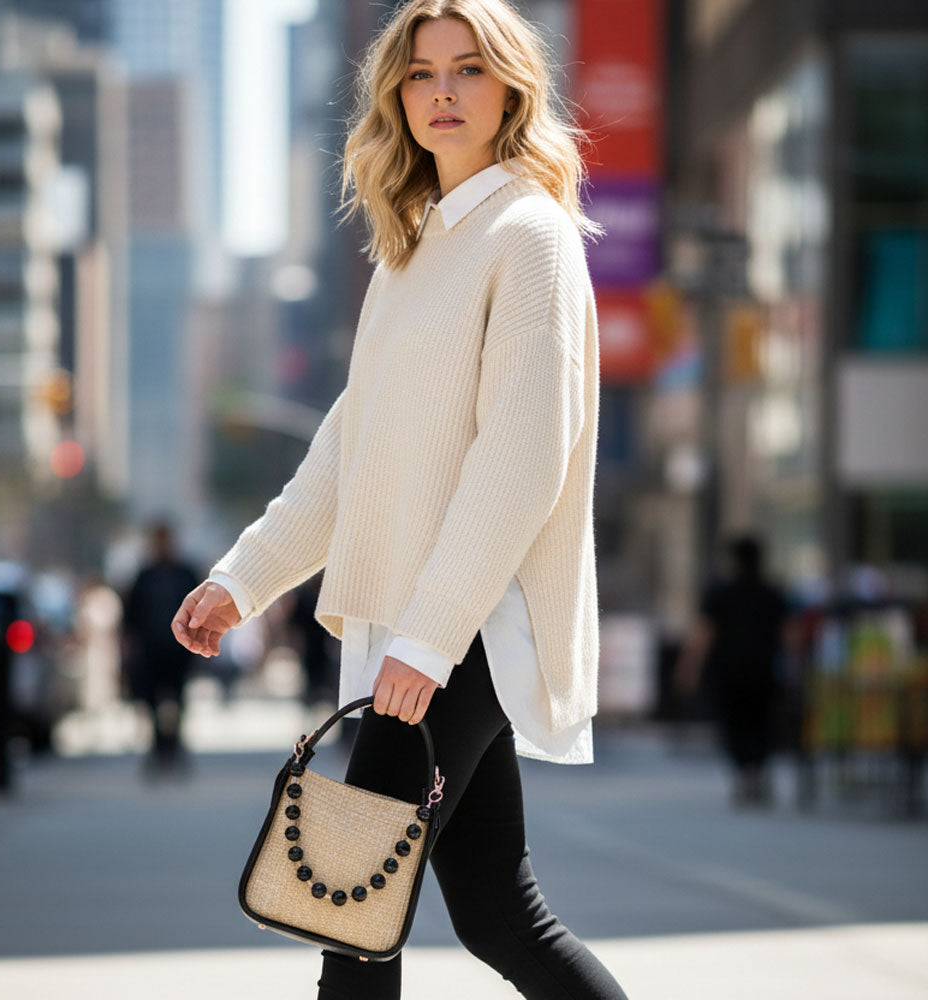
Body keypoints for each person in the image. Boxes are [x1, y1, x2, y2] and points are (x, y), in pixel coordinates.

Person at [172, 2, 628, 996]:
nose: (443, 93)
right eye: (421, 76)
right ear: (397, 98)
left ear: (510, 85)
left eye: (467, 69)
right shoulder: (413, 247)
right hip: (416, 631)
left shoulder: (529, 235)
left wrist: (428, 640)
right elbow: (351, 452)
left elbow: (520, 456)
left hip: (458, 632)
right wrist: (243, 578)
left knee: (350, 908)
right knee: (499, 913)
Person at [674, 534, 794, 806]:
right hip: (764, 671)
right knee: (762, 723)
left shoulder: (721, 593)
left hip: (729, 672)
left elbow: (702, 635)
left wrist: (687, 668)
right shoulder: (772, 593)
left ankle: (744, 773)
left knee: (734, 724)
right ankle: (757, 772)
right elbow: (790, 637)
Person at [124, 521, 199, 776]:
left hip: (180, 652)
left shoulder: (185, 573)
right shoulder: (144, 576)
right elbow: (131, 616)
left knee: (178, 700)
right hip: (151, 651)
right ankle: (158, 749)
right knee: (153, 701)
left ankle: (175, 746)